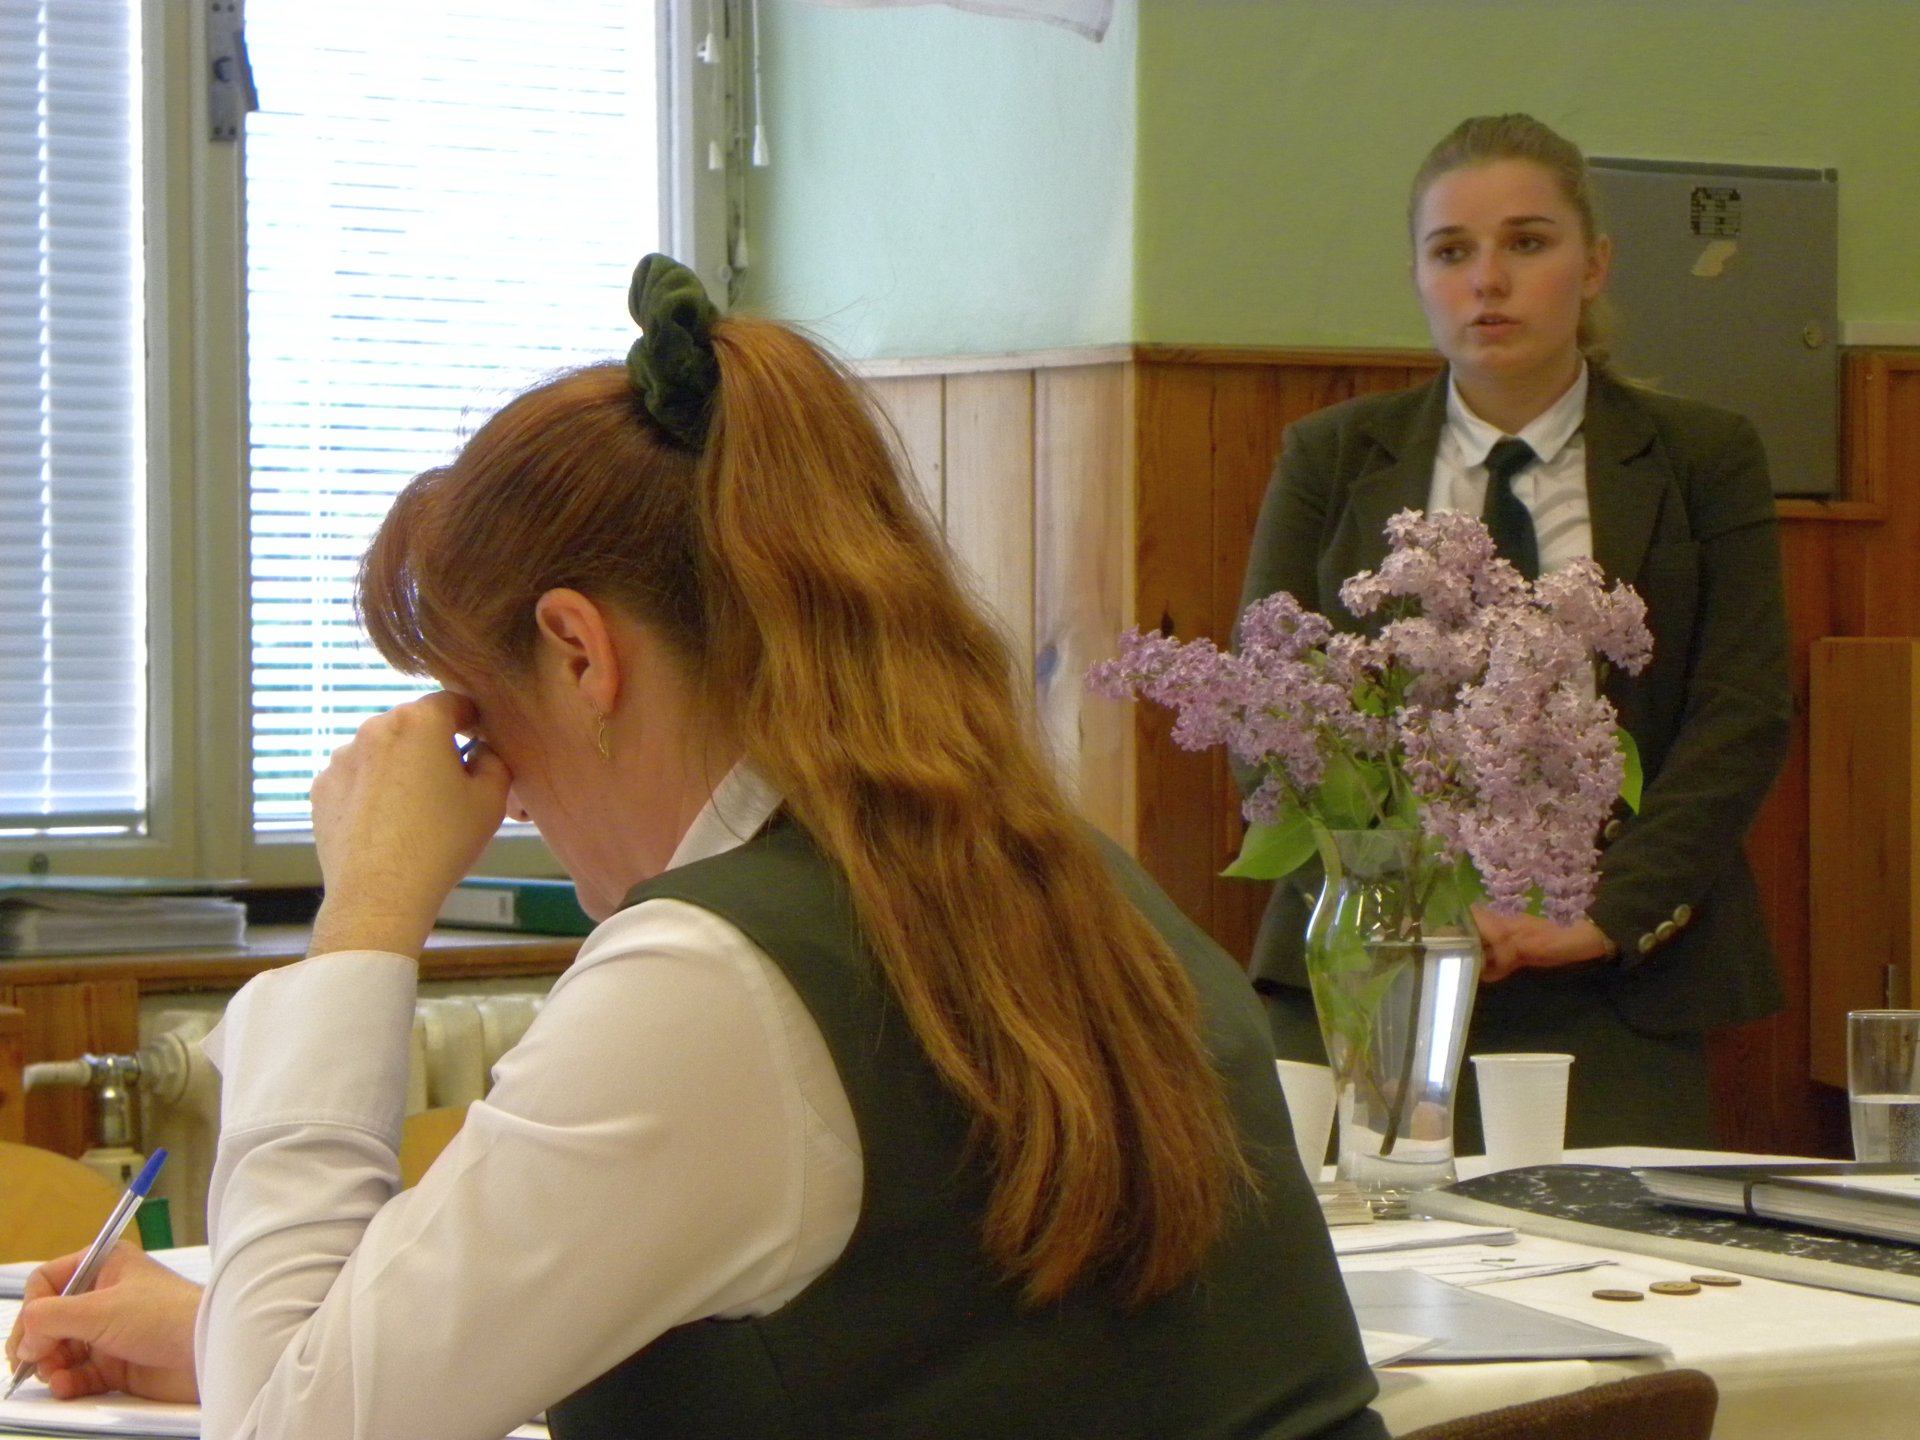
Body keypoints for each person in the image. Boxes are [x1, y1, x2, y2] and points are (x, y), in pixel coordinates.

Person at [8, 256, 1388, 1440]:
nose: (507, 802)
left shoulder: (715, 977)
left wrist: (366, 914)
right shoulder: (1056, 870)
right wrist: (244, 1339)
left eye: (487, 726)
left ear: (580, 652)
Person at [1240, 114, 1792, 1151]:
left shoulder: (1700, 458)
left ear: (1595, 265)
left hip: (1613, 978)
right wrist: (1408, 898)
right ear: (1418, 275)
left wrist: (1607, 913)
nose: (1487, 280)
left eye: (1527, 243)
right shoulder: (1333, 456)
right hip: (1375, 959)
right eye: (1452, 251)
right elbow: (1270, 714)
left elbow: (1742, 709)